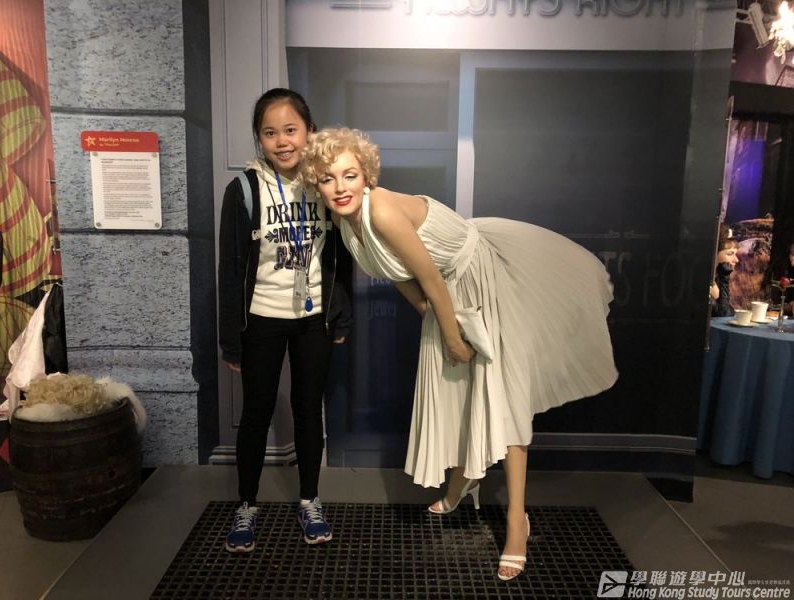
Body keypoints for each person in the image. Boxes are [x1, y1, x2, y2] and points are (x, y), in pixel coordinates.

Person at [302, 128, 618, 580]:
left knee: (504, 398)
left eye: (349, 175)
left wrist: (451, 337)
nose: (339, 187)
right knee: (456, 391)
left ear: (366, 175)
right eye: (328, 179)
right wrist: (431, 317)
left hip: (481, 277)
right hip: (448, 292)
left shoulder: (381, 210)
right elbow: (401, 274)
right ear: (315, 183)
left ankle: (517, 522)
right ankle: (463, 480)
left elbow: (429, 275)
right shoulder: (344, 222)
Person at [218, 90, 352, 552]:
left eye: (290, 130)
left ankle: (310, 499)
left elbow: (342, 254)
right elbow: (230, 270)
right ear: (259, 138)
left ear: (309, 131)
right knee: (255, 413)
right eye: (270, 132)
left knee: (308, 410)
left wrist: (341, 316)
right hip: (261, 320)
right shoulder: (244, 190)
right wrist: (231, 339)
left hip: (313, 319)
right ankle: (247, 504)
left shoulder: (325, 183)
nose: (282, 141)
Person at [709, 226, 739, 317]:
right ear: (714, 254)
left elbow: (728, 310)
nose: (736, 260)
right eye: (730, 254)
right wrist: (725, 278)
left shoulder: (715, 279)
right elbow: (723, 312)